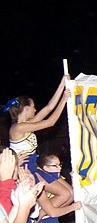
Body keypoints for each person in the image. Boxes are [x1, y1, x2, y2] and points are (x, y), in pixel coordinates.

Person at [6, 76, 74, 208]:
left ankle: (48, 213)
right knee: (64, 194)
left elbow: (48, 108)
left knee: (70, 193)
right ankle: (43, 215)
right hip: (25, 170)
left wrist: (62, 85)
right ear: (26, 109)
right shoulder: (18, 128)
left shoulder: (27, 124)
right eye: (33, 107)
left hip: (33, 166)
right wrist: (64, 100)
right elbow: (50, 122)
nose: (35, 110)